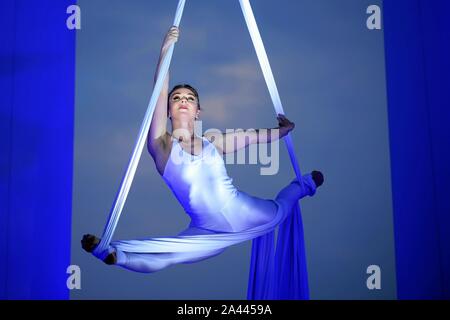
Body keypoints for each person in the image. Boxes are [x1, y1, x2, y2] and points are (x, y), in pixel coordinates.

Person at [82, 26, 324, 273]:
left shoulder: (213, 141)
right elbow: (158, 93)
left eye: (189, 98)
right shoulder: (161, 145)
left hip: (245, 211)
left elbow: (252, 137)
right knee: (168, 254)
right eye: (176, 98)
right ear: (167, 110)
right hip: (207, 230)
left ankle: (305, 184)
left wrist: (282, 131)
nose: (183, 100)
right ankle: (115, 255)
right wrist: (165, 50)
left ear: (198, 111)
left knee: (282, 209)